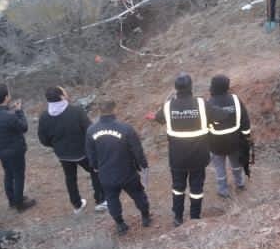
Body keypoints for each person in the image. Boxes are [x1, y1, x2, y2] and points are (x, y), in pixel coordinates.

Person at [149, 73, 227, 227]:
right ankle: (194, 218)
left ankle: (178, 218)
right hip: (198, 157)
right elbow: (222, 115)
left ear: (176, 89)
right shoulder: (201, 104)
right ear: (191, 87)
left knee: (178, 188)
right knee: (196, 188)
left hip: (177, 158)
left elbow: (158, 118)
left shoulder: (169, 105)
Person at [38, 86, 106, 214]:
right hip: (82, 151)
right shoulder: (76, 111)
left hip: (63, 154)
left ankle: (77, 204)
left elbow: (43, 139)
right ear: (62, 96)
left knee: (70, 178)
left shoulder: (44, 117)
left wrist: (56, 146)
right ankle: (101, 200)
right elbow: (89, 130)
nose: (66, 92)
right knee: (95, 171)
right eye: (64, 91)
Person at [86, 100, 150, 236]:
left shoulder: (91, 131)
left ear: (100, 111)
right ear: (114, 109)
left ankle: (120, 224)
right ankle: (145, 217)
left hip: (106, 174)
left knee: (112, 199)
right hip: (127, 172)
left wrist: (95, 167)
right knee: (138, 195)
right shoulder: (126, 128)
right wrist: (143, 165)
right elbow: (137, 150)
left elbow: (90, 153)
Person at [0, 84, 35, 211]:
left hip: (0, 150)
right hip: (15, 151)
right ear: (6, 97)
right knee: (19, 175)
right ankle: (20, 204)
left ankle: (12, 200)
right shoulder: (9, 116)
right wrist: (19, 111)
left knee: (8, 174)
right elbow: (23, 127)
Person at [207, 75, 251, 198]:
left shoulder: (209, 103)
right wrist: (246, 137)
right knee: (236, 164)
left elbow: (204, 124)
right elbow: (245, 120)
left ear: (213, 87)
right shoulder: (236, 100)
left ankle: (223, 190)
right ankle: (240, 183)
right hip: (234, 141)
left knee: (220, 167)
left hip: (216, 143)